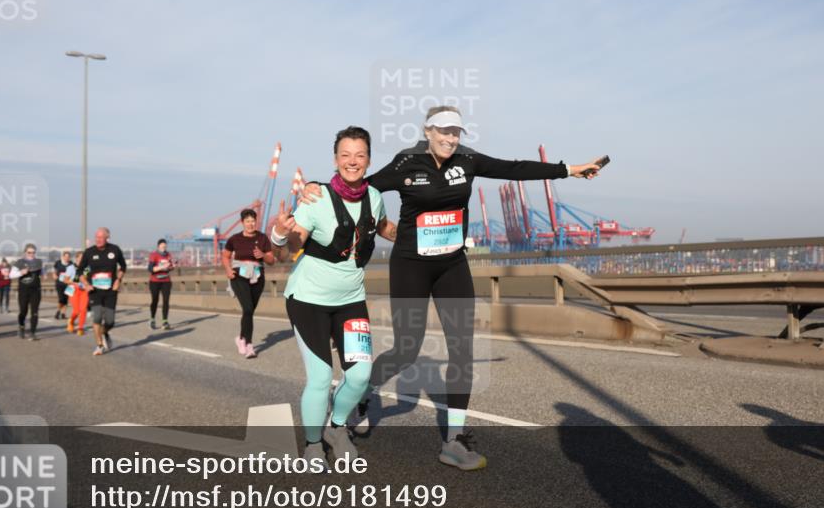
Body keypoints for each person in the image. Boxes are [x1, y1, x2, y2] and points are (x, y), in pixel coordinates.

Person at [304, 106, 603, 470]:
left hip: (452, 265)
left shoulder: (468, 159)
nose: (450, 138)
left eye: (456, 132)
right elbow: (358, 186)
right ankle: (360, 397)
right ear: (427, 131)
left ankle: (454, 441)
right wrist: (315, 189)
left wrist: (569, 170)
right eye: (443, 131)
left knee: (462, 348)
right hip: (411, 265)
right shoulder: (406, 162)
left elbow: (513, 168)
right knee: (407, 349)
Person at [272, 126, 397, 463]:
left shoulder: (375, 197)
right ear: (335, 159)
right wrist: (279, 234)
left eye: (359, 155)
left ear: (369, 160)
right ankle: (313, 445)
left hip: (351, 300)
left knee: (359, 376)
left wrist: (423, 237)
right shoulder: (316, 198)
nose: (352, 162)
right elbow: (289, 248)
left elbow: (384, 227)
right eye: (345, 155)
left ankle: (336, 427)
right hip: (308, 300)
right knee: (321, 378)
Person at [222, 210, 275, 357]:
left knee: (249, 311)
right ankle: (249, 345)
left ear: (256, 222)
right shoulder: (234, 239)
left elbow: (271, 260)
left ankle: (240, 338)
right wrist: (227, 269)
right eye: (247, 221)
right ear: (242, 223)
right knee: (247, 308)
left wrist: (263, 255)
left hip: (257, 276)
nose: (250, 224)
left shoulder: (262, 238)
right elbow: (225, 256)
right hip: (239, 276)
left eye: (253, 221)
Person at [77, 227, 127, 356]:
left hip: (111, 290)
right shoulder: (89, 252)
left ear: (107, 238)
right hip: (95, 290)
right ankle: (99, 345)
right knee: (97, 317)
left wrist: (118, 280)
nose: (98, 240)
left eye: (101, 237)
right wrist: (86, 284)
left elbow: (123, 266)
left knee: (110, 321)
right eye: (96, 237)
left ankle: (105, 332)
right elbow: (80, 271)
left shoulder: (115, 250)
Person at [12, 244, 43, 341]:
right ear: (25, 252)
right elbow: (11, 275)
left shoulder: (39, 262)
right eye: (29, 252)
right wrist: (21, 273)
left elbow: (42, 273)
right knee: (23, 311)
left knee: (35, 312)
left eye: (33, 252)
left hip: (35, 290)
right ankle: (21, 327)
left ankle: (32, 333)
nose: (31, 254)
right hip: (23, 290)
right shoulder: (19, 262)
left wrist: (43, 274)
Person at [147, 239, 176, 330]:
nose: (164, 247)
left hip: (166, 281)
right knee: (155, 300)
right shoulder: (153, 255)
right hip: (155, 281)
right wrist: (162, 267)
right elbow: (151, 269)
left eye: (165, 245)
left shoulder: (168, 255)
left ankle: (165, 321)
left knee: (166, 301)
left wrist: (172, 267)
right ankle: (152, 319)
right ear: (158, 246)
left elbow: (170, 267)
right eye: (162, 245)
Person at [65, 270, 89, 336]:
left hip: (84, 291)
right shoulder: (72, 268)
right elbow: (65, 280)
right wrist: (72, 282)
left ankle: (80, 328)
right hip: (74, 290)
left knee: (83, 310)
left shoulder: (88, 268)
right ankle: (71, 321)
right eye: (78, 259)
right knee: (76, 311)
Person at [52, 252, 75, 320]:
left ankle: (63, 314)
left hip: (68, 284)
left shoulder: (71, 264)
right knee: (61, 299)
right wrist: (54, 275)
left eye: (68, 257)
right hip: (59, 283)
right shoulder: (58, 262)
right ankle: (58, 311)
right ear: (63, 257)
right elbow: (54, 270)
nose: (66, 258)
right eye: (65, 257)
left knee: (66, 299)